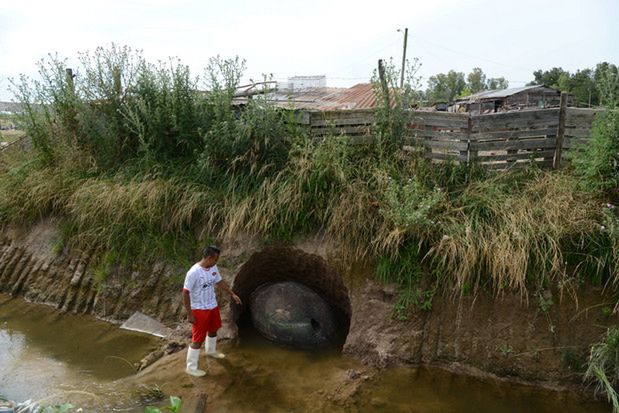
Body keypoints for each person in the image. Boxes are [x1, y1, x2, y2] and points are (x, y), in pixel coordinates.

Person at [183, 245, 242, 377]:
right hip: (199, 309)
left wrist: (232, 294)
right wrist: (190, 314)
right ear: (209, 258)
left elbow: (219, 281)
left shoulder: (212, 268)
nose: (216, 262)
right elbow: (185, 293)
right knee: (197, 339)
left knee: (213, 329)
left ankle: (211, 351)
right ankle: (191, 367)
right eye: (215, 259)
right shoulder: (193, 273)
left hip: (212, 305)